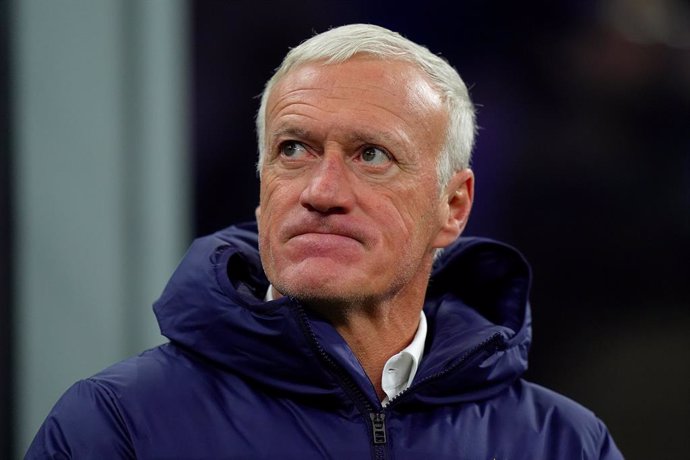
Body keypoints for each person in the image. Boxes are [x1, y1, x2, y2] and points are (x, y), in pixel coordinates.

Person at [26, 24, 623, 459]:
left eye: (372, 155)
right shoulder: (116, 427)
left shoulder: (565, 444)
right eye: (293, 149)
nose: (322, 190)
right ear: (262, 190)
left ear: (453, 206)